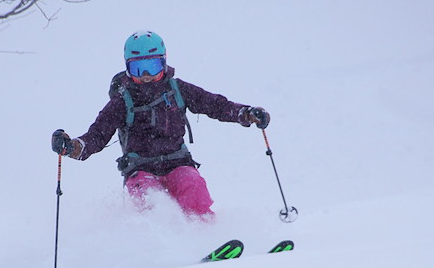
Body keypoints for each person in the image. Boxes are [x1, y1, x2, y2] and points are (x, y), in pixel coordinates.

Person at [51, 30, 270, 222]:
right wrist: (72, 146)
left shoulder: (177, 90)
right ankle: (162, 251)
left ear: (163, 63)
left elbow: (214, 105)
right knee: (150, 198)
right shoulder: (121, 102)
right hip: (140, 169)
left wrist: (246, 113)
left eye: (152, 66)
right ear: (128, 68)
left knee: (193, 186)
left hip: (177, 162)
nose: (146, 76)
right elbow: (96, 136)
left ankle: (204, 235)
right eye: (138, 69)